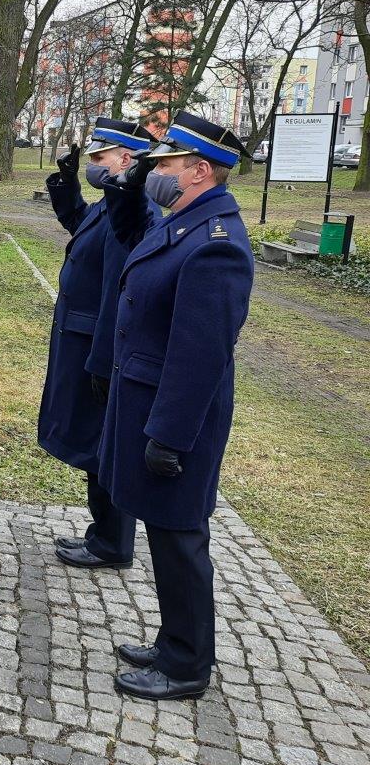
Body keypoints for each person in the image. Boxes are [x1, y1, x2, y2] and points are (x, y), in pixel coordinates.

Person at [96, 109, 254, 700]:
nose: (154, 172)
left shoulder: (216, 244)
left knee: (181, 539)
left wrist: (169, 435)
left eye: (163, 164)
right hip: (151, 405)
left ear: (199, 171)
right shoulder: (184, 222)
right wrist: (129, 190)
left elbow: (200, 355)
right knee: (164, 534)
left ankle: (187, 664)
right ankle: (171, 642)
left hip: (176, 418)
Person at [39, 118, 158, 570]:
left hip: (98, 347)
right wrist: (67, 181)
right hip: (84, 341)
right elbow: (77, 220)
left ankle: (112, 542)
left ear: (126, 159)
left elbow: (118, 291)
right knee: (96, 441)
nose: (92, 165)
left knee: (104, 442)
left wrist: (104, 361)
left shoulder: (134, 212)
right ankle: (103, 533)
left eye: (98, 158)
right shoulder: (111, 206)